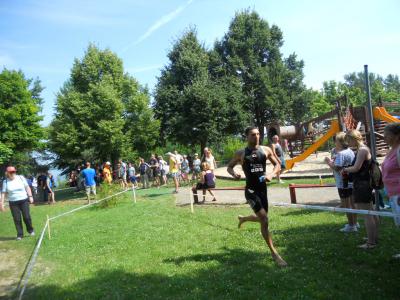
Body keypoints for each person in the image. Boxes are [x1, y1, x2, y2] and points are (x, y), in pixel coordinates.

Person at [227, 126, 287, 267]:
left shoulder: (265, 150)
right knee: (264, 220)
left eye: (258, 134)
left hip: (263, 190)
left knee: (263, 217)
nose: (257, 136)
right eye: (253, 134)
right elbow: (229, 167)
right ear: (247, 136)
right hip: (251, 191)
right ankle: (274, 254)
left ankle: (244, 218)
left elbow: (277, 164)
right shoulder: (241, 153)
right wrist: (234, 174)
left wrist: (271, 174)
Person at [342, 130, 378, 249]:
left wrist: (346, 169)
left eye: (349, 140)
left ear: (354, 139)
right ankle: (373, 236)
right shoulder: (362, 149)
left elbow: (356, 168)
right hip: (364, 184)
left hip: (363, 184)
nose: (348, 143)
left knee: (367, 214)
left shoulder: (362, 150)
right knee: (371, 211)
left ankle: (371, 242)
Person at [324, 132, 357, 232]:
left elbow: (337, 168)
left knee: (346, 204)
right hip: (350, 181)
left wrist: (328, 162)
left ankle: (351, 225)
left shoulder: (341, 154)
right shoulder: (350, 151)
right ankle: (355, 222)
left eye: (336, 141)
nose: (335, 142)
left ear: (341, 142)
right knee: (352, 203)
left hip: (343, 182)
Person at [0, 166, 35, 240]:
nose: (13, 173)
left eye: (14, 171)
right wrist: (1, 203)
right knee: (17, 219)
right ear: (7, 173)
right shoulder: (5, 181)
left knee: (27, 217)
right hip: (13, 202)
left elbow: (27, 187)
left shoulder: (21, 178)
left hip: (24, 200)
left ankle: (30, 230)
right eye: (11, 172)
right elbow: (3, 193)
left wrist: (30, 196)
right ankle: (20, 234)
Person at [381, 123, 400, 258]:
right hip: (393, 194)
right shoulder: (392, 149)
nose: (383, 137)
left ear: (396, 136)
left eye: (386, 135)